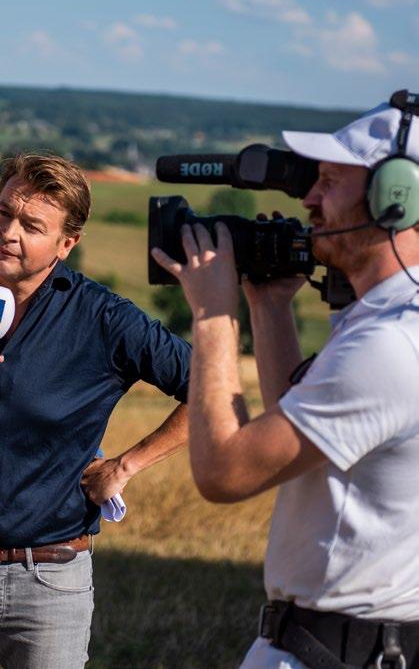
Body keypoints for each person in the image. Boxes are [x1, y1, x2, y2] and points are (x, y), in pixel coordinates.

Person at [0, 152, 191, 669]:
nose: (9, 233)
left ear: (67, 244)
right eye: (3, 213)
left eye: (31, 225)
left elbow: (209, 389)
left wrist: (125, 466)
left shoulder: (103, 318)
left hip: (50, 578)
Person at [153, 92, 419, 668]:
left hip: (335, 647)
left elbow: (226, 472)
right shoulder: (390, 322)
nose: (311, 199)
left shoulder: (389, 347)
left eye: (330, 181)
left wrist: (213, 314)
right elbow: (296, 433)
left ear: (394, 199)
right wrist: (268, 307)